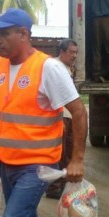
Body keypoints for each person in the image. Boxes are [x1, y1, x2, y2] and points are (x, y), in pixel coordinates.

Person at [0, 8, 88, 217]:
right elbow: (2, 113)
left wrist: (77, 160)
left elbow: (78, 111)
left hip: (37, 167)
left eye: (4, 33)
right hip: (6, 163)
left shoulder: (48, 68)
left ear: (24, 34)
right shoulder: (0, 65)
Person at [45, 38, 79, 199]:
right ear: (62, 52)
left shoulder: (67, 68)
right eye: (71, 52)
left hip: (68, 116)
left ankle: (64, 184)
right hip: (61, 117)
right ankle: (54, 187)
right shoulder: (55, 67)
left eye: (76, 53)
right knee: (60, 154)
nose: (74, 56)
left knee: (68, 153)